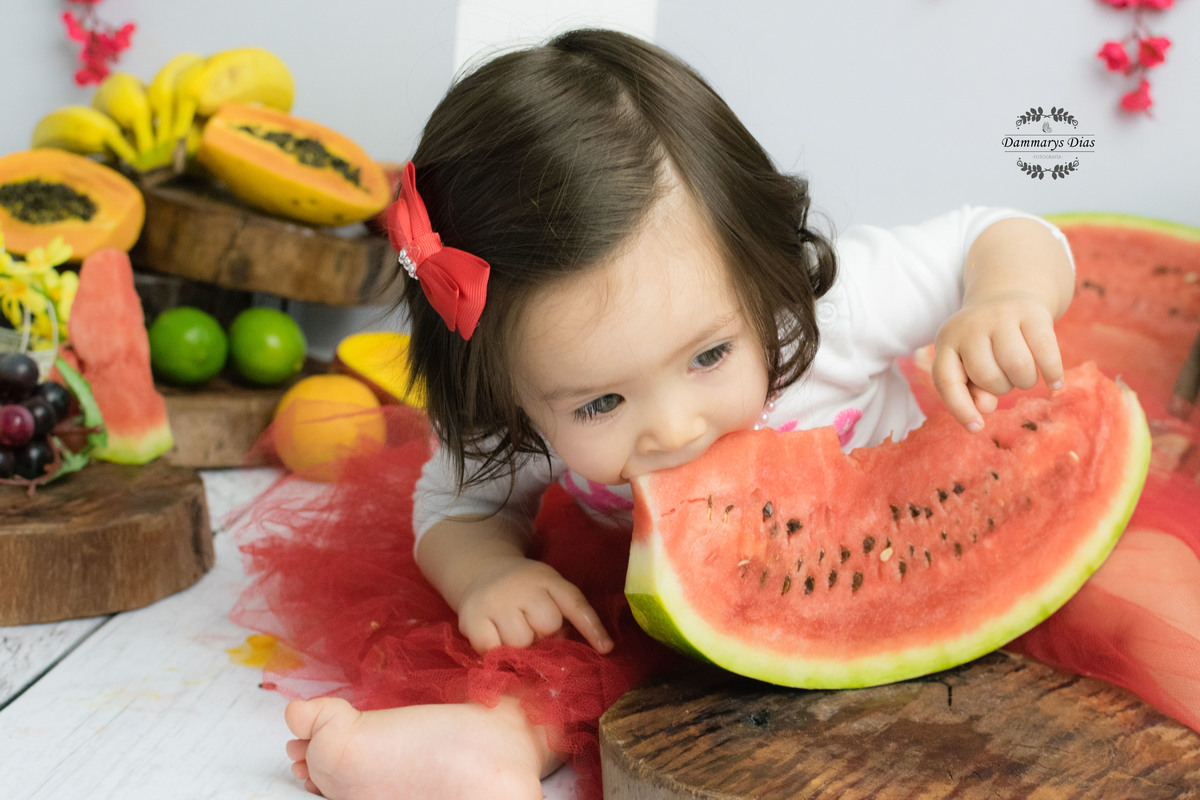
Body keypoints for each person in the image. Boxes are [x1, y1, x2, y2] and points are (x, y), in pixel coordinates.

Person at [231, 27, 1191, 800]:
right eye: (601, 402)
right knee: (566, 655)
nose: (676, 425)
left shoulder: (823, 312)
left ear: (759, 268)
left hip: (933, 550)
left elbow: (1004, 231)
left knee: (1128, 600)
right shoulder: (505, 421)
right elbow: (453, 512)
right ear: (511, 395)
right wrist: (484, 575)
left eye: (708, 356)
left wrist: (1003, 300)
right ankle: (482, 751)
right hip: (672, 616)